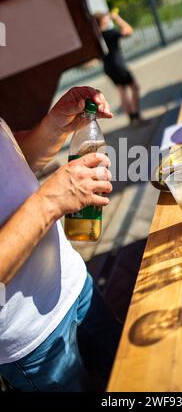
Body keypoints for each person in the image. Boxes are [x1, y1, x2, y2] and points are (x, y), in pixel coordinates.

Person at [0, 87, 122, 392]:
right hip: (32, 340)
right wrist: (51, 199)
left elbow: (13, 163)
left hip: (76, 286)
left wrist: (54, 126)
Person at [95, 11, 142, 125]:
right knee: (134, 88)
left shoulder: (97, 37)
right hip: (118, 65)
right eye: (106, 18)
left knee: (121, 91)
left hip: (108, 67)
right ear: (102, 21)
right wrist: (117, 19)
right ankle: (136, 116)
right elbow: (128, 30)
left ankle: (132, 118)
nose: (108, 19)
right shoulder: (110, 33)